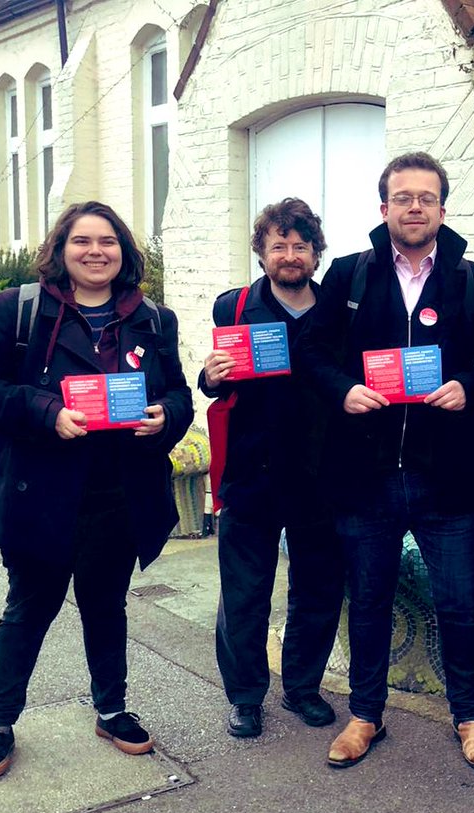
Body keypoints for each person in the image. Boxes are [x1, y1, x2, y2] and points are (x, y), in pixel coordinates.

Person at [0, 201, 193, 778]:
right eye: (82, 241)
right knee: (28, 609)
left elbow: (180, 395)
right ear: (61, 249)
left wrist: (164, 415)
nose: (96, 252)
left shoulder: (154, 319)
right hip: (40, 493)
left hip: (118, 493)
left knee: (106, 607)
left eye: (108, 241)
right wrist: (46, 412)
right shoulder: (21, 309)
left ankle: (111, 709)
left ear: (124, 251)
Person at [298, 152, 474, 770]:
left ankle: (470, 718)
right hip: (365, 476)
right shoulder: (349, 276)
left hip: (447, 476)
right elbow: (310, 353)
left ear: (443, 207)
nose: (415, 207)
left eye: (426, 197)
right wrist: (343, 390)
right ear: (383, 206)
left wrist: (471, 385)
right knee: (367, 600)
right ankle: (366, 715)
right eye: (403, 197)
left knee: (461, 603)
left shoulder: (472, 279)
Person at [200, 198, 345, 739]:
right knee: (244, 595)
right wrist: (210, 377)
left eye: (300, 245)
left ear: (315, 253)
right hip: (250, 476)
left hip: (321, 480)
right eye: (278, 244)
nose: (290, 254)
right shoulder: (233, 308)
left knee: (317, 591)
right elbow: (215, 381)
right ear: (261, 252)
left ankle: (302, 688)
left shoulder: (338, 311)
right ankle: (244, 696)